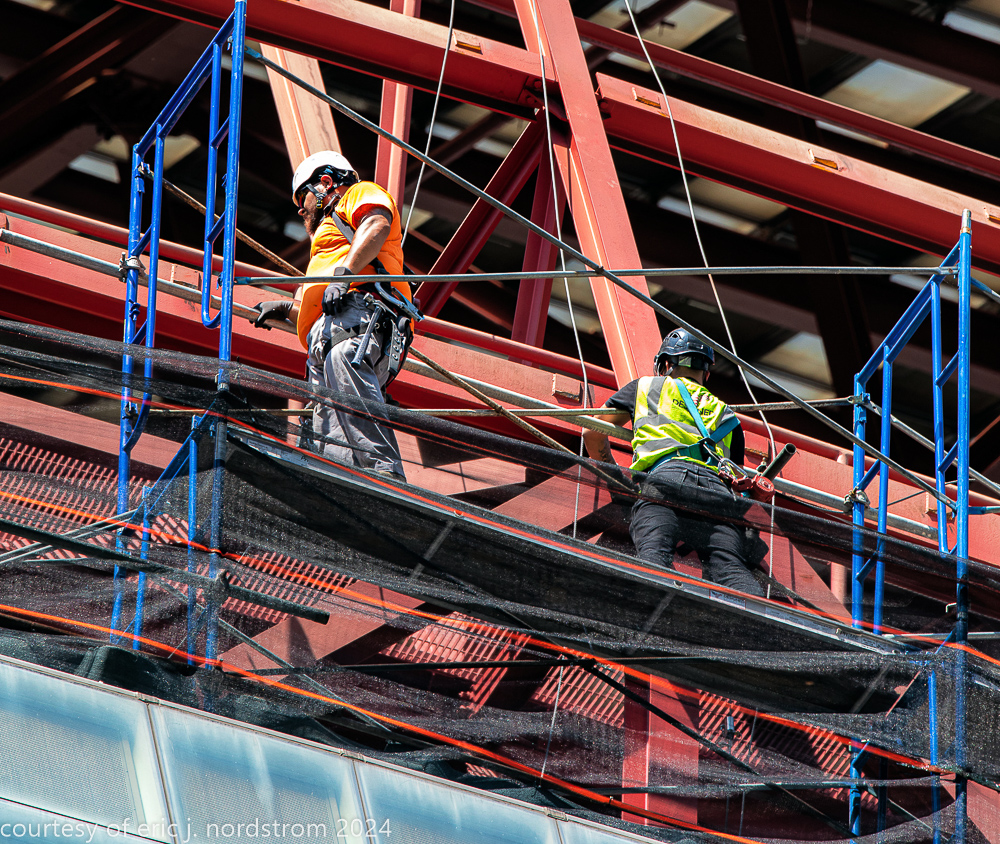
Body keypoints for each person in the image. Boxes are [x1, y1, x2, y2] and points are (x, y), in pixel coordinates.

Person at [251, 151, 411, 480]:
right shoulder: (325, 245)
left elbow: (376, 224)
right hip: (328, 333)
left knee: (345, 361)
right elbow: (320, 304)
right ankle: (346, 481)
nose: (301, 209)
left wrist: (343, 276)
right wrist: (287, 309)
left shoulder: (358, 194)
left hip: (359, 316)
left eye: (303, 197)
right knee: (327, 419)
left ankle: (384, 474)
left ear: (325, 182)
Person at [583, 328, 764, 597]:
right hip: (717, 495)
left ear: (666, 364)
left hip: (665, 484)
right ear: (707, 373)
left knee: (654, 557)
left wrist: (617, 482)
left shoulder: (647, 387)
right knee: (730, 569)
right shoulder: (727, 415)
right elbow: (734, 478)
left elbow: (591, 431)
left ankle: (658, 608)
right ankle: (757, 616)